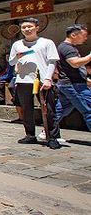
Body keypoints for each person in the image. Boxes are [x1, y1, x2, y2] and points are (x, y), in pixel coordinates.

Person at [9, 18, 60, 149]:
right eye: (24, 27)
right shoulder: (17, 44)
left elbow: (52, 61)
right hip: (23, 80)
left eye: (29, 26)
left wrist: (48, 78)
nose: (27, 29)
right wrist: (17, 57)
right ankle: (30, 135)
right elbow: (11, 62)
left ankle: (52, 137)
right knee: (27, 109)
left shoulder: (46, 43)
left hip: (43, 79)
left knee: (48, 109)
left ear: (37, 27)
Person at [53, 24, 91, 137]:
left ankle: (48, 132)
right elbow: (75, 63)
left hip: (69, 84)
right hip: (73, 85)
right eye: (84, 36)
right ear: (74, 35)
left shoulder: (67, 47)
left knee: (61, 110)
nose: (85, 38)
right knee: (88, 110)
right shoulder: (67, 48)